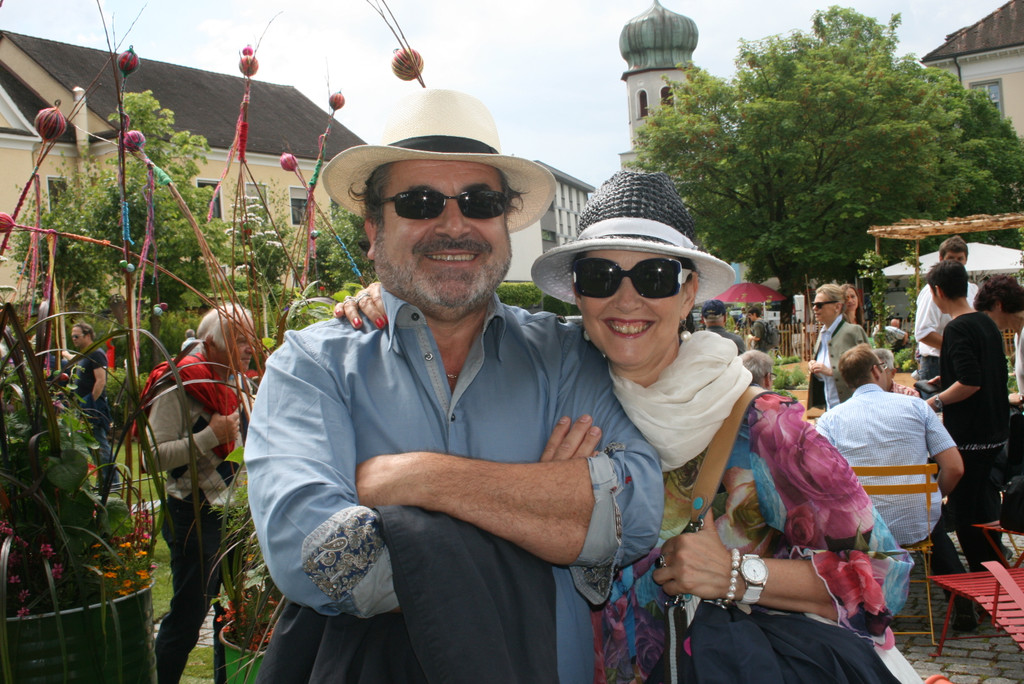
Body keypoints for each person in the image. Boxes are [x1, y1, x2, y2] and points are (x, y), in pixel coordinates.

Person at [245, 89, 662, 683]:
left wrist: (415, 479)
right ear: (373, 228)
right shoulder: (312, 366)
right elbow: (314, 558)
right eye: (419, 202)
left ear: (503, 221)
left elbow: (638, 514)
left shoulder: (568, 356)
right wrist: (548, 517)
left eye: (479, 201)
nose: (453, 224)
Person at [529, 171, 915, 682]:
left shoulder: (762, 424)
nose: (626, 299)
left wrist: (738, 575)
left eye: (654, 276)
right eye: (600, 275)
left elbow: (887, 579)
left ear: (688, 293)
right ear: (579, 295)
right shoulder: (561, 416)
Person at [816, 344, 976, 630]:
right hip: (916, 518)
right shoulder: (916, 407)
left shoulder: (830, 419)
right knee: (932, 525)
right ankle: (960, 598)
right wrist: (934, 497)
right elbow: (955, 467)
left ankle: (857, 601)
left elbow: (821, 476)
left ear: (847, 380)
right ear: (876, 370)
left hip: (863, 528)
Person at [148, 304, 254, 684]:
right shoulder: (178, 384)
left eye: (249, 339)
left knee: (237, 613)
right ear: (211, 342)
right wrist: (211, 436)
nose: (249, 348)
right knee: (188, 618)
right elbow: (151, 457)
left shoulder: (237, 383)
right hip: (193, 516)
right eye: (239, 340)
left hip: (236, 516)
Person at [924, 259, 1007, 571]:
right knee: (986, 512)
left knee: (965, 516)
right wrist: (947, 379)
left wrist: (935, 402)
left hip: (971, 436)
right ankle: (995, 574)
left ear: (937, 291)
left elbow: (971, 382)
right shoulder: (986, 323)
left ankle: (978, 580)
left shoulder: (957, 328)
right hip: (996, 431)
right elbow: (986, 371)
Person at [914, 235, 977, 383]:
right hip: (937, 362)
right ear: (941, 259)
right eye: (951, 258)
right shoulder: (932, 291)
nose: (955, 263)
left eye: (960, 259)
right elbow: (923, 332)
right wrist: (959, 347)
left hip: (963, 359)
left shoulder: (972, 289)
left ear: (966, 260)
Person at [62, 322, 117, 490]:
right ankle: (103, 481)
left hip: (94, 407)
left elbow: (100, 381)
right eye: (72, 336)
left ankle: (112, 483)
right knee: (91, 447)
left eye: (76, 336)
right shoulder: (85, 355)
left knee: (99, 445)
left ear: (87, 335)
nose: (73, 339)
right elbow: (76, 363)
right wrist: (66, 354)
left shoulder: (97, 354)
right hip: (84, 406)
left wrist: (89, 403)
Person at [807, 283, 869, 411]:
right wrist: (815, 368)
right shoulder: (822, 335)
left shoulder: (853, 332)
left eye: (819, 305)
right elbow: (825, 377)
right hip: (831, 409)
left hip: (855, 409)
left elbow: (868, 370)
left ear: (837, 306)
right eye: (814, 304)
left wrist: (830, 371)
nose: (814, 308)